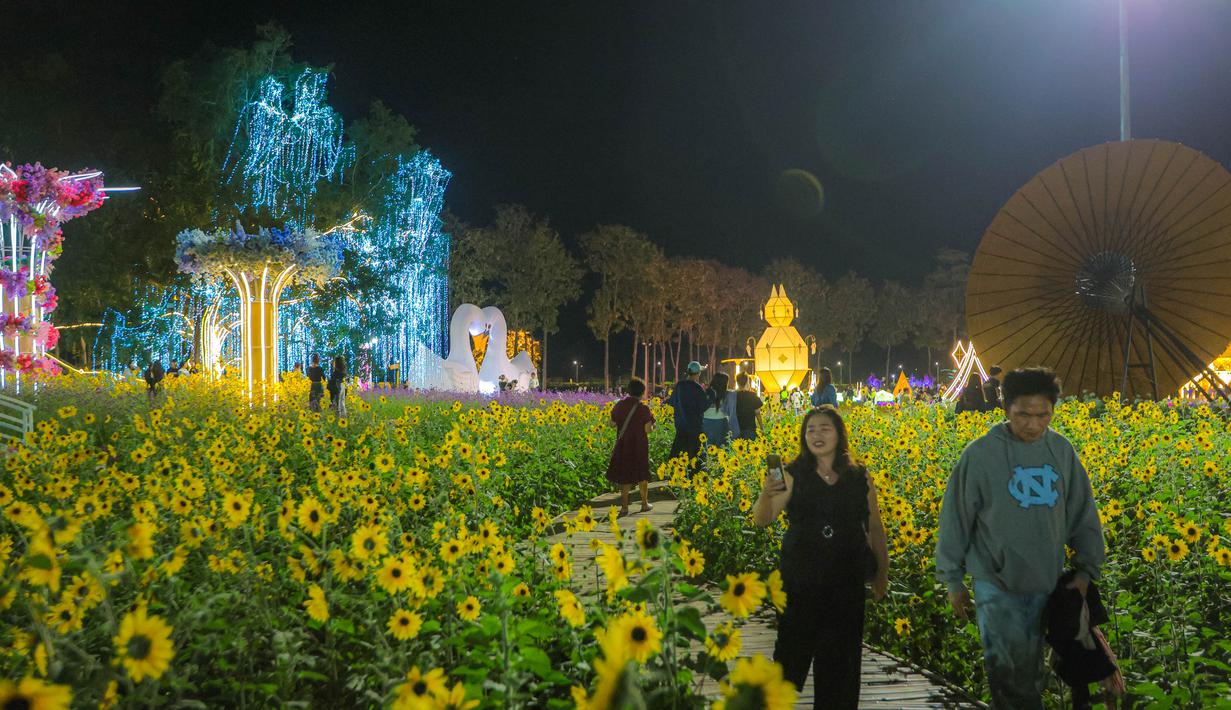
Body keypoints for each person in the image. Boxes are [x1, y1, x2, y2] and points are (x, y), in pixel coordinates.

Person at [935, 367, 1105, 710]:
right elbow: (956, 517)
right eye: (1023, 414)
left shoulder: (1061, 451)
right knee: (1010, 677)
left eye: (1043, 415)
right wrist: (953, 579)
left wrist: (1087, 570)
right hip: (996, 583)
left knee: (1031, 675)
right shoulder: (980, 454)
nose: (1033, 424)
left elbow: (1083, 513)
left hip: (1047, 582)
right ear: (1006, 409)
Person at [753, 406, 889, 708]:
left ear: (839, 434)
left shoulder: (859, 476)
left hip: (846, 581)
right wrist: (765, 493)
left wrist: (882, 573)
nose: (817, 434)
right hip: (801, 582)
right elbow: (763, 518)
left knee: (841, 665)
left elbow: (875, 527)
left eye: (825, 428)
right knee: (789, 660)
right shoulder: (792, 474)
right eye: (811, 429)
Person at [606, 377, 655, 515]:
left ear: (629, 391)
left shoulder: (619, 406)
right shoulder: (644, 409)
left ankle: (624, 507)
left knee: (625, 476)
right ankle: (644, 504)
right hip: (639, 446)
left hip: (624, 445)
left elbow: (612, 424)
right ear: (642, 392)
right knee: (642, 475)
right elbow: (648, 430)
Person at [666, 361, 707, 466]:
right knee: (695, 462)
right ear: (698, 373)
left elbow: (671, 403)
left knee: (677, 461)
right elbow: (703, 406)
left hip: (681, 428)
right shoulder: (698, 389)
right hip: (694, 429)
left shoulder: (679, 386)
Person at [701, 372, 738, 447]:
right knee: (720, 449)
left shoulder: (706, 392)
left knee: (706, 448)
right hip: (721, 422)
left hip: (705, 422)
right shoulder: (728, 394)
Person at [734, 372, 763, 440]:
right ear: (747, 381)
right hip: (750, 429)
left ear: (737, 382)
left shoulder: (733, 396)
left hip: (736, 428)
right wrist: (761, 427)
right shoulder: (753, 396)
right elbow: (757, 413)